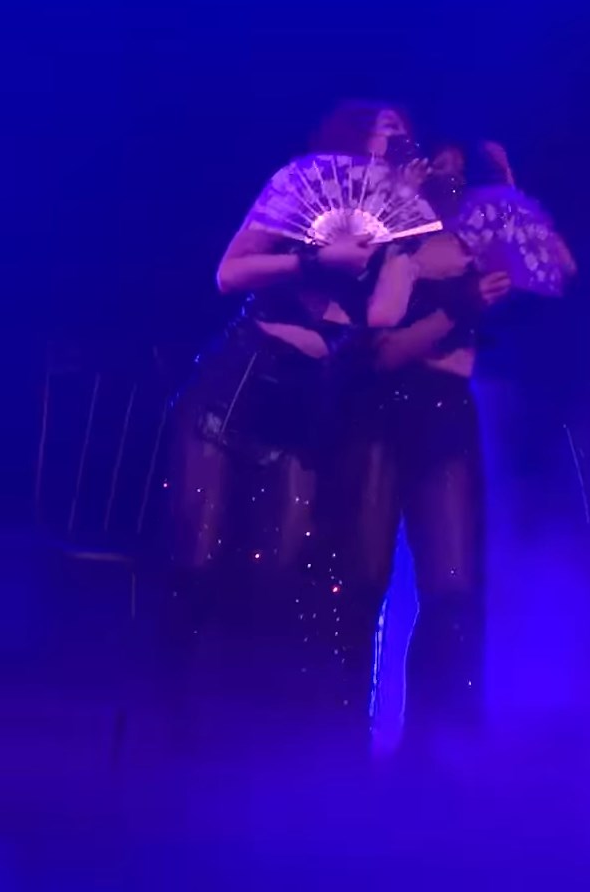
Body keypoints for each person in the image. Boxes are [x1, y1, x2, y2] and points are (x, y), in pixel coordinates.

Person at [156, 100, 416, 762]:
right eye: (386, 127)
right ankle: (169, 724)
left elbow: (384, 316)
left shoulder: (397, 220)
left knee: (277, 571)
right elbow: (229, 273)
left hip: (305, 406)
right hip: (232, 391)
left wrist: (400, 247)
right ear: (353, 135)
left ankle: (244, 737)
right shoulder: (302, 183)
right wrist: (311, 262)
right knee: (197, 563)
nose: (398, 137)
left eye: (404, 131)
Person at [330, 139, 514, 771]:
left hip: (443, 411)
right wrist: (456, 308)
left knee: (453, 585)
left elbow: (548, 265)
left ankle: (435, 748)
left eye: (460, 178)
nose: (448, 183)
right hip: (376, 408)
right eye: (439, 171)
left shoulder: (475, 247)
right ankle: (336, 738)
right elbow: (380, 351)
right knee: (359, 580)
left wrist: (508, 190)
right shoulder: (380, 237)